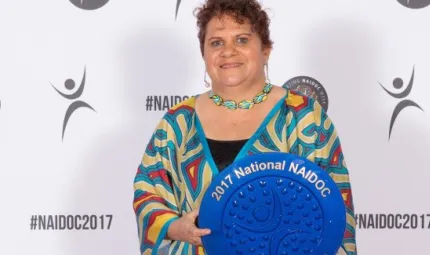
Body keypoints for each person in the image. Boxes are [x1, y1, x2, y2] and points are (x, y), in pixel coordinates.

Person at [133, 0, 357, 254]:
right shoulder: (178, 122)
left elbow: (333, 208)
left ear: (265, 50)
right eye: (217, 42)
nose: (228, 51)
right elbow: (148, 190)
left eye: (241, 40)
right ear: (203, 53)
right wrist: (176, 227)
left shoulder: (302, 117)